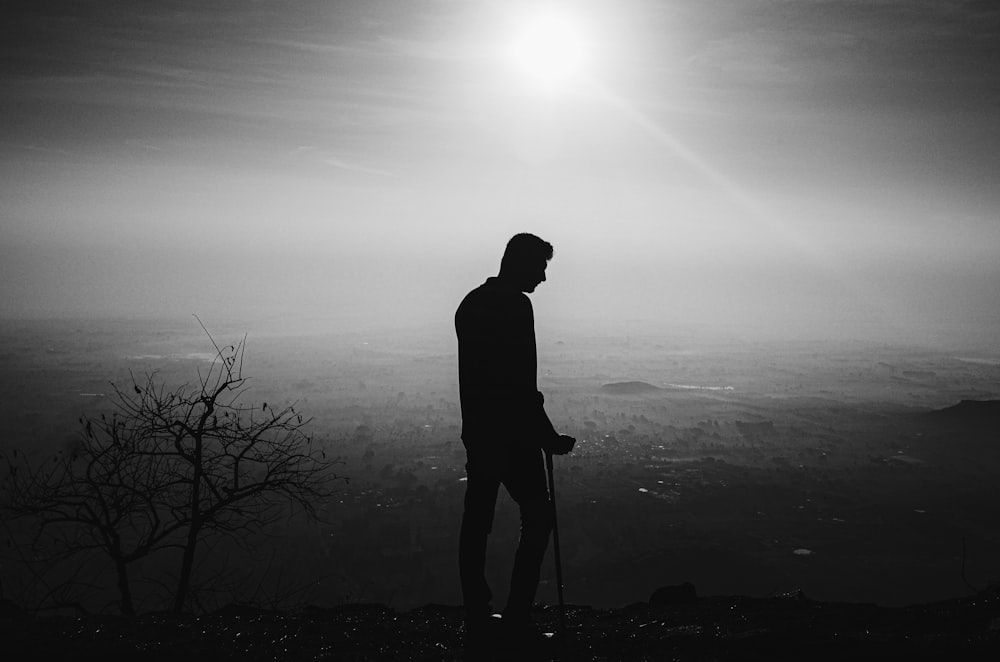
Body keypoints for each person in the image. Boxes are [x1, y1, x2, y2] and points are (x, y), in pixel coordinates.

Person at [455, 232, 576, 648]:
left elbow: (480, 379)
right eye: (540, 267)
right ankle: (516, 618)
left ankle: (476, 613)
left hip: (481, 434)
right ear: (521, 262)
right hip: (516, 438)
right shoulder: (516, 306)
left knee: (477, 524)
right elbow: (521, 385)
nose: (543, 278)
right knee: (537, 520)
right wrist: (548, 438)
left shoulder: (470, 304)